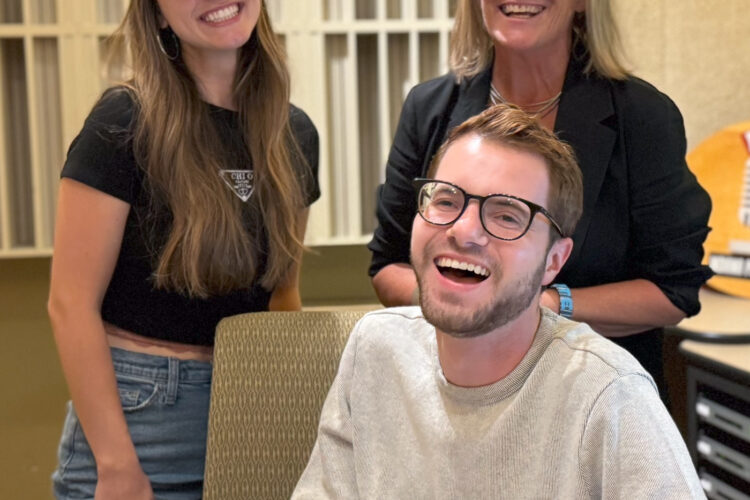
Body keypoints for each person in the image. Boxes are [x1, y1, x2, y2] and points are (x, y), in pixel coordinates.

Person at [293, 105, 704, 499]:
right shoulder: (375, 351)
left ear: (553, 261)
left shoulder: (609, 397)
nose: (464, 230)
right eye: (446, 200)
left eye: (507, 215)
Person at [368, 0, 712, 399]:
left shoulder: (642, 116)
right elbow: (387, 266)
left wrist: (541, 305)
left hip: (595, 398)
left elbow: (673, 292)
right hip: (458, 390)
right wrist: (462, 305)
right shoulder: (428, 109)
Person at [47, 1, 319, 498]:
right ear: (155, 15)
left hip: (249, 407)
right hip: (140, 422)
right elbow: (70, 305)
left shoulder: (295, 133)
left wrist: (285, 409)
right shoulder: (122, 122)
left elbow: (284, 295)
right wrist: (116, 465)